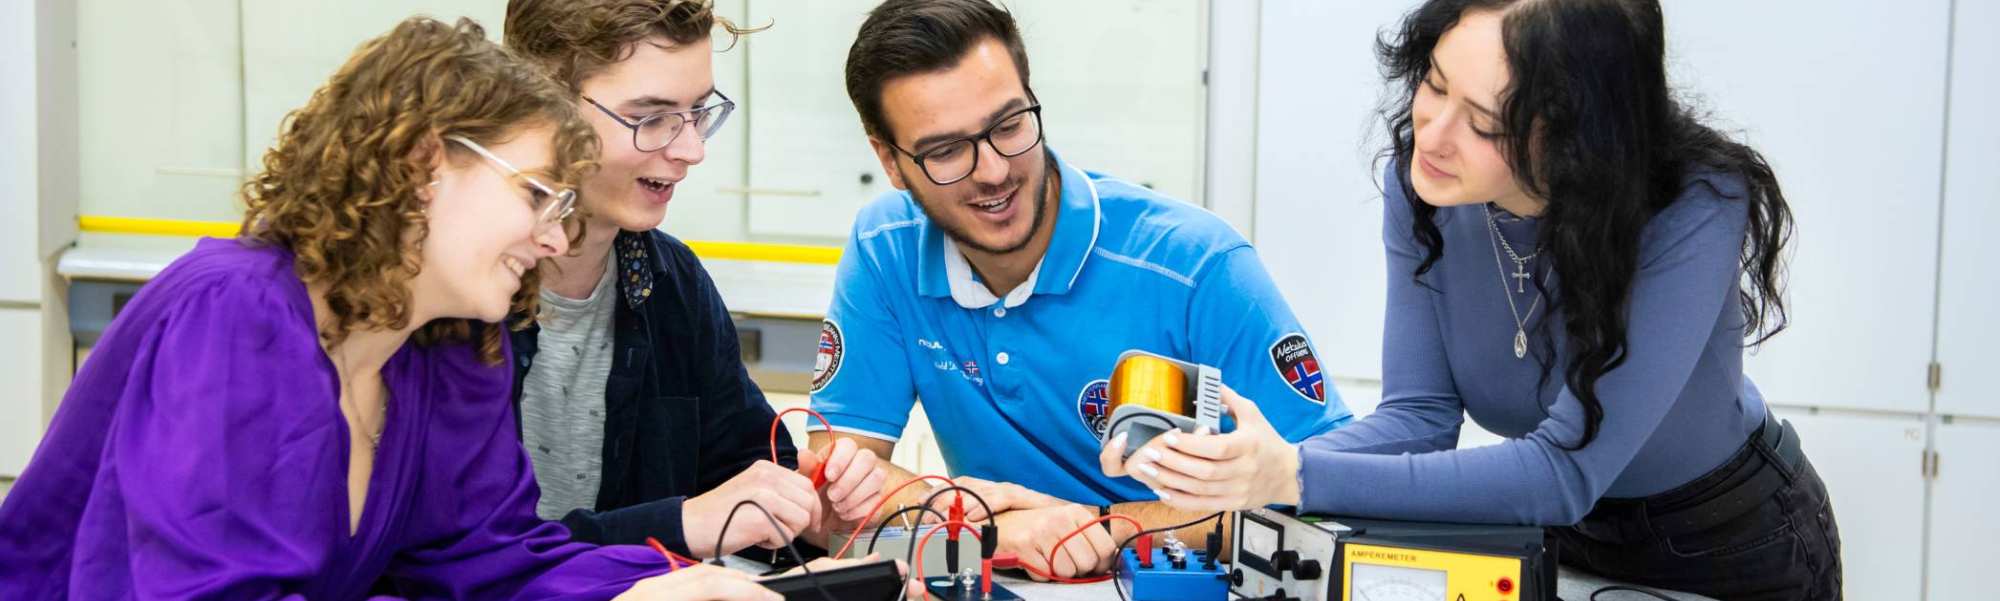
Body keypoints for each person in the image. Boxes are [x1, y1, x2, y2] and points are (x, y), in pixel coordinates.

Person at [0, 16, 861, 600]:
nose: (554, 242)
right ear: (422, 165)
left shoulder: (448, 345)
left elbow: (492, 560)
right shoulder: (236, 314)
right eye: (536, 197)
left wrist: (647, 584)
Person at [1104, 2, 1842, 599]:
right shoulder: (1423, 186)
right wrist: (1238, 466)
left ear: (1578, 140)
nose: (1433, 133)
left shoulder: (1693, 203)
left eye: (1486, 123)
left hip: (1732, 544)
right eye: (1433, 82)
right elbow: (1418, 418)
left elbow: (1561, 472)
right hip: (1558, 535)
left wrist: (1293, 474)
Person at [808, 0, 1354, 580]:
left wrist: (1105, 527)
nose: (993, 171)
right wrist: (983, 526)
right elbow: (832, 494)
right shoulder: (885, 246)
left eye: (1009, 125)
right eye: (945, 151)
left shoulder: (1195, 265)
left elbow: (1324, 484)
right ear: (889, 161)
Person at [501, 0, 889, 560]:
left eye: (699, 112)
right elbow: (460, 558)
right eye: (650, 117)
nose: (692, 150)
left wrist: (807, 509)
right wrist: (679, 523)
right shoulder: (453, 300)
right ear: (542, 107)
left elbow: (742, 468)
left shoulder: (672, 283)